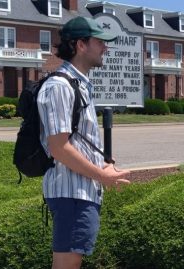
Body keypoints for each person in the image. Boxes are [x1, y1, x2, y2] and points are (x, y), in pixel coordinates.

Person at [37, 16, 130, 269]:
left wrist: (104, 165)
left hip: (79, 193)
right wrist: (101, 176)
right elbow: (59, 148)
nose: (106, 48)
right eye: (100, 42)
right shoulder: (59, 86)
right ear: (80, 44)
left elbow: (78, 143)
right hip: (71, 195)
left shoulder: (79, 85)